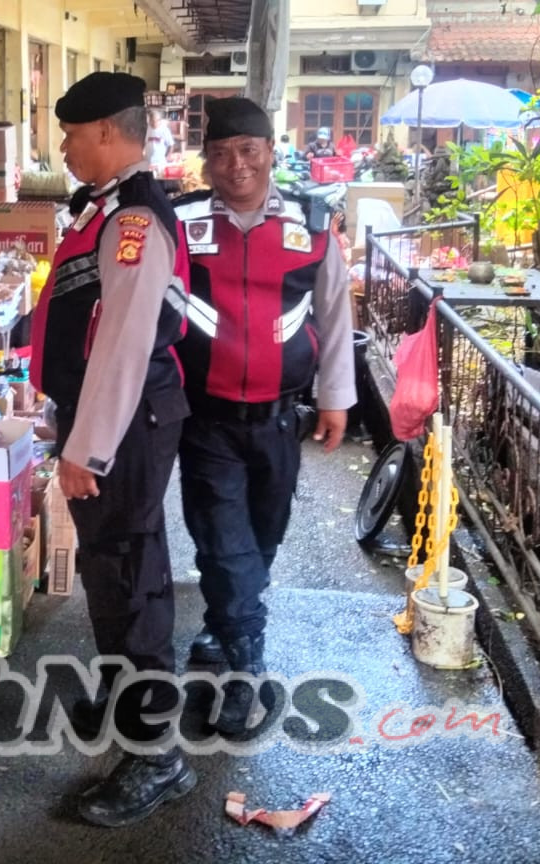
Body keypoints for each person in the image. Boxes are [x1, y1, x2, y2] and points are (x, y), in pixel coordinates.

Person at [29, 71, 193, 828]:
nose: (64, 147)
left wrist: (86, 448)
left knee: (128, 580)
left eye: (71, 134)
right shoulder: (108, 207)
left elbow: (124, 342)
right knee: (119, 570)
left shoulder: (132, 219)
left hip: (124, 426)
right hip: (118, 419)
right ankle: (130, 699)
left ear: (105, 132)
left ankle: (156, 753)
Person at [172, 97, 356, 735]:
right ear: (206, 162)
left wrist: (336, 396)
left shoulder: (312, 222)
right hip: (205, 417)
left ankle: (223, 624)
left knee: (262, 534)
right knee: (222, 539)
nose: (236, 165)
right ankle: (246, 672)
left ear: (271, 151)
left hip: (281, 417)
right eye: (221, 154)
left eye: (248, 150)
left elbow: (334, 312)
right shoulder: (181, 223)